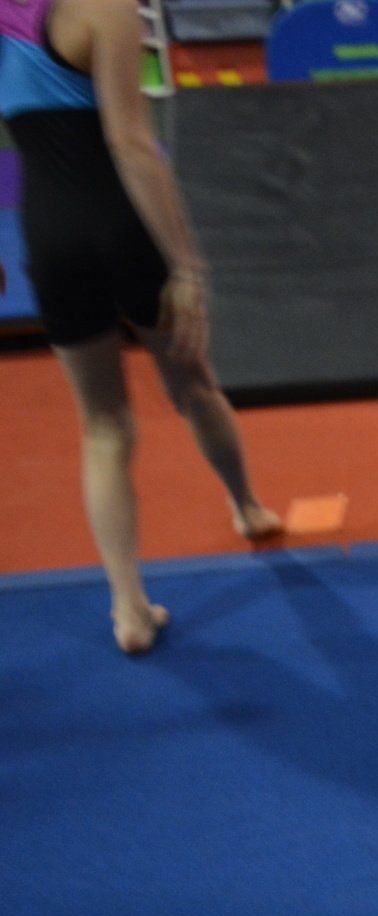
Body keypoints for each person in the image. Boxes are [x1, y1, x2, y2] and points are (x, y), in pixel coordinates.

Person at [0, 0, 280, 655]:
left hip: (50, 233)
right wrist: (187, 265)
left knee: (103, 427)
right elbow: (130, 142)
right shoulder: (105, 8)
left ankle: (128, 607)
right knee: (193, 388)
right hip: (127, 228)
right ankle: (247, 506)